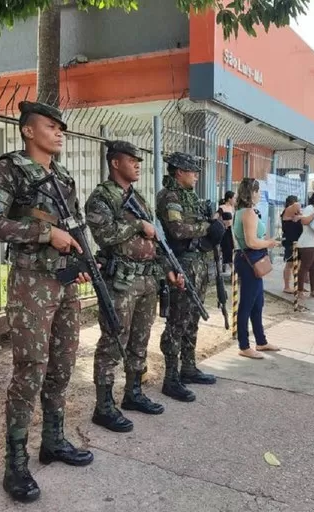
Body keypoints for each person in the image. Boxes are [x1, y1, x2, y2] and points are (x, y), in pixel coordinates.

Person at [0, 101, 94, 503]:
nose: (60, 132)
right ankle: (16, 463)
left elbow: (74, 229)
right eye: (51, 126)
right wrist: (45, 234)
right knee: (30, 369)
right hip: (31, 283)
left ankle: (54, 440)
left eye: (62, 127)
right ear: (29, 131)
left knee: (62, 366)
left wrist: (80, 263)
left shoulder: (62, 176)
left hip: (64, 284)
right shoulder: (9, 169)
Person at [84, 140, 184, 433]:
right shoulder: (101, 198)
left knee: (140, 340)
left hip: (146, 279)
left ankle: (133, 393)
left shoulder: (138, 198)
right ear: (115, 163)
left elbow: (156, 241)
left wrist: (169, 269)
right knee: (114, 342)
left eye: (139, 160)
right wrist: (138, 226)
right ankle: (103, 407)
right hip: (121, 281)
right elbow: (104, 235)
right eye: (132, 160)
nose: (138, 164)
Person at [155, 152, 227, 402]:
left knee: (192, 317)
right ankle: (171, 377)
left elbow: (198, 224)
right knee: (177, 321)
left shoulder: (190, 196)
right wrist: (208, 227)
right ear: (178, 172)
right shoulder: (170, 197)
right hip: (182, 264)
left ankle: (188, 366)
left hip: (198, 262)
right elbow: (177, 230)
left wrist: (213, 224)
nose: (196, 175)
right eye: (192, 171)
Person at [232, 178, 281, 358]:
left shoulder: (245, 211)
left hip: (248, 259)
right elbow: (252, 242)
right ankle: (244, 345)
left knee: (257, 303)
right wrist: (269, 242)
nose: (260, 194)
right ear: (251, 193)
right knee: (247, 304)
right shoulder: (248, 213)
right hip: (249, 259)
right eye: (258, 191)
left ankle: (261, 341)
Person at [296, 191, 314, 298]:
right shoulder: (309, 209)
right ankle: (300, 290)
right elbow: (304, 221)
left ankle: (313, 290)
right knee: (305, 266)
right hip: (307, 242)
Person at [280, 195, 303, 293]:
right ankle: (286, 286)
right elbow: (297, 205)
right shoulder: (286, 212)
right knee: (289, 264)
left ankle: (296, 285)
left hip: (298, 241)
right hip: (290, 242)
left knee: (298, 264)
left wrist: (299, 216)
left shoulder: (295, 215)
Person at [216, 191, 235, 274]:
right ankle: (234, 271)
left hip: (233, 231)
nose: (235, 200)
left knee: (234, 250)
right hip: (226, 232)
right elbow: (215, 217)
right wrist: (223, 224)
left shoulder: (233, 208)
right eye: (234, 198)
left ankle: (234, 272)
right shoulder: (222, 207)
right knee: (228, 250)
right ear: (229, 199)